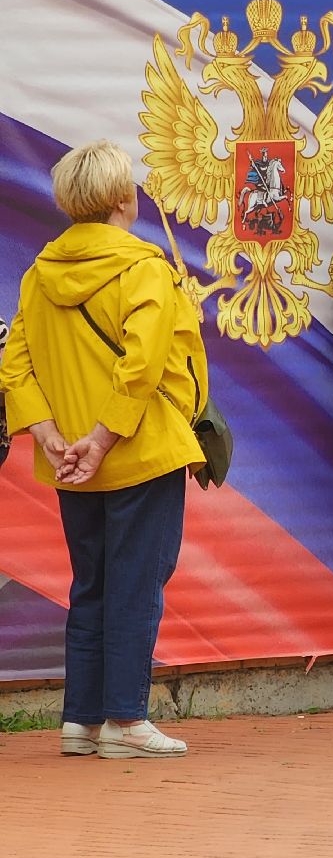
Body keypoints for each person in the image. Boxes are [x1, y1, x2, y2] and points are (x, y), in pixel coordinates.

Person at [1, 140, 209, 759]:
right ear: (126, 199)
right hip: (139, 451)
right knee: (138, 584)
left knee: (89, 583)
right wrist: (102, 437)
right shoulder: (144, 268)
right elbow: (142, 364)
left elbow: (15, 365)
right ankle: (125, 720)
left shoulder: (39, 275)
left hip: (70, 462)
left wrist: (52, 436)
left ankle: (81, 721)